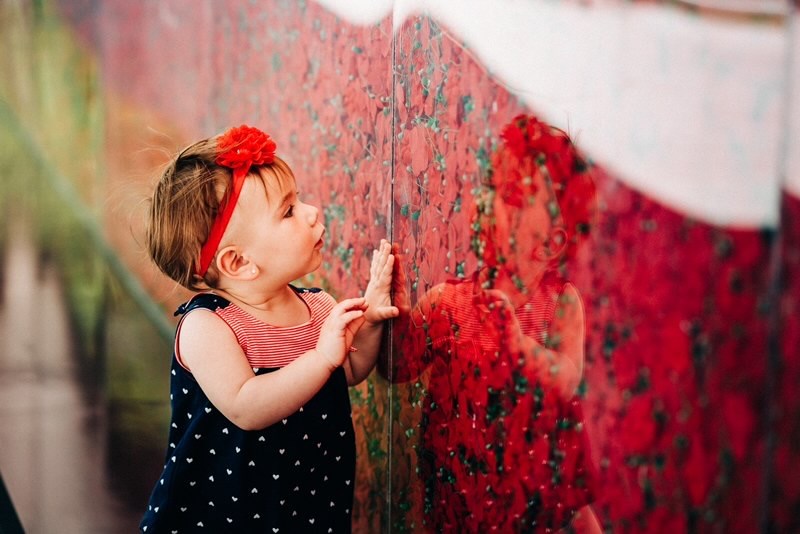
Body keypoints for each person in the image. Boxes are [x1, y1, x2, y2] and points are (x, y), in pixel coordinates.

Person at [139, 125, 398, 533]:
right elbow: (247, 406)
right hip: (224, 512)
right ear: (239, 263)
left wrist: (368, 322)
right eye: (289, 210)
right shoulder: (208, 327)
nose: (313, 212)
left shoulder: (316, 306)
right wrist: (321, 356)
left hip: (307, 501)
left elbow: (346, 373)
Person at [387, 115, 600, 532]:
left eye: (510, 195)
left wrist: (522, 348)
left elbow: (568, 376)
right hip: (463, 495)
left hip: (537, 492)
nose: (486, 201)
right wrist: (395, 316)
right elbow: (400, 367)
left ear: (553, 242)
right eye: (489, 184)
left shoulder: (559, 304)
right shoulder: (448, 303)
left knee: (575, 514)